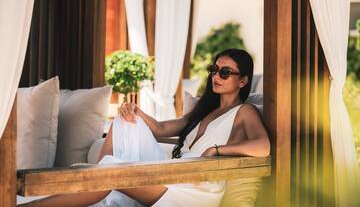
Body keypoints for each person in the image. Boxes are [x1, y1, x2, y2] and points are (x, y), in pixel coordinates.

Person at [19, 48, 270, 207]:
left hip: (198, 189)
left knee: (111, 172)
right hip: (177, 173)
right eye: (214, 69)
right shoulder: (204, 110)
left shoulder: (244, 112)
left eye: (225, 72)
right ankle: (95, 188)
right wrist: (134, 111)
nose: (216, 76)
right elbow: (160, 128)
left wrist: (217, 150)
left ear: (243, 80)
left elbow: (263, 146)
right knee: (124, 121)